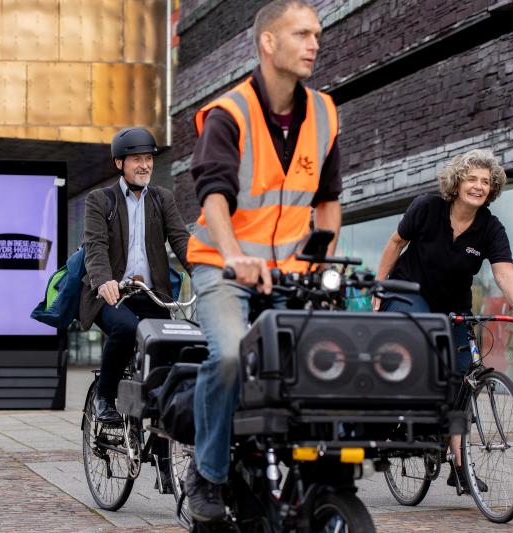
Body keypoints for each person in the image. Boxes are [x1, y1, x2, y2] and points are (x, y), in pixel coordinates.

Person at [184, 0, 342, 522]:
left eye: (316, 33)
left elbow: (328, 203)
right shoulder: (229, 114)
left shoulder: (324, 112)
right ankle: (207, 472)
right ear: (268, 43)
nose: (314, 43)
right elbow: (214, 194)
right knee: (229, 354)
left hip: (291, 270)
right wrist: (233, 255)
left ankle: (311, 466)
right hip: (222, 264)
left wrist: (324, 263)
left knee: (327, 355)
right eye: (301, 34)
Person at [374, 148, 513, 491]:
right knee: (425, 339)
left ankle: (460, 466)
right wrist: (379, 287)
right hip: (407, 293)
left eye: (486, 181)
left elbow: (503, 272)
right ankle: (402, 419)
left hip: (453, 305)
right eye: (472, 179)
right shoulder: (427, 207)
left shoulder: (490, 228)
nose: (479, 186)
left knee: (462, 378)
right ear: (457, 182)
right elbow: (395, 243)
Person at [80, 127, 190, 423]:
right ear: (120, 163)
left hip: (151, 295)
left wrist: (207, 273)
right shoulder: (101, 200)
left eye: (149, 158)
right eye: (136, 159)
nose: (145, 165)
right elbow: (95, 245)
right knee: (127, 329)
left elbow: (181, 239)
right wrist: (104, 280)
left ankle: (164, 436)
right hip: (112, 295)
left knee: (171, 347)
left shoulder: (162, 198)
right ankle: (104, 397)